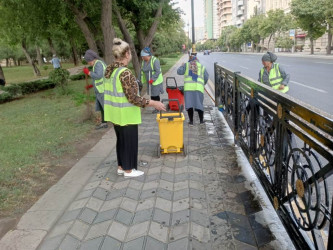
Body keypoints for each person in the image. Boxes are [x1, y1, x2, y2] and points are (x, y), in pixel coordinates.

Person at [104, 38, 166, 178]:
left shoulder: (109, 70)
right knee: (129, 142)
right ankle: (129, 170)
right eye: (130, 53)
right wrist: (153, 103)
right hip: (126, 114)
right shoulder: (124, 73)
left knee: (121, 141)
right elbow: (133, 98)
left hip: (115, 114)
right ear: (126, 54)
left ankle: (121, 166)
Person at [177, 54, 209, 126]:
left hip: (188, 89)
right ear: (197, 60)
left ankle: (191, 122)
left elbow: (178, 72)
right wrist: (203, 84)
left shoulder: (186, 65)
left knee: (189, 104)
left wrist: (182, 65)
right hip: (198, 88)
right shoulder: (201, 66)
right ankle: (201, 121)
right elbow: (206, 77)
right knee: (199, 104)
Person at [83, 49, 108, 129]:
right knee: (102, 107)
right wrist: (91, 86)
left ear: (91, 59)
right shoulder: (97, 64)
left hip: (103, 90)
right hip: (100, 89)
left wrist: (88, 73)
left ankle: (116, 122)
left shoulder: (98, 64)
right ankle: (104, 123)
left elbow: (98, 76)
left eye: (88, 61)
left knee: (106, 107)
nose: (88, 63)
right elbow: (98, 79)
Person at [138, 47, 164, 113]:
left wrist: (152, 79)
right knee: (152, 95)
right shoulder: (144, 62)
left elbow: (158, 71)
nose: (142, 58)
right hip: (149, 81)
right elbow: (141, 71)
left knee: (155, 95)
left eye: (143, 56)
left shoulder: (155, 60)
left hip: (156, 81)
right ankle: (156, 106)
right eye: (142, 56)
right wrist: (139, 79)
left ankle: (158, 108)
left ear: (147, 55)